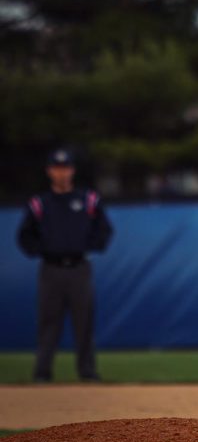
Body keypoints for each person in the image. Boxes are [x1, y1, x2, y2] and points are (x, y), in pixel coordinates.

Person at [16, 148, 114, 381]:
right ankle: (42, 372)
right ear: (50, 171)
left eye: (66, 168)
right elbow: (24, 235)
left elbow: (104, 229)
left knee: (84, 322)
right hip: (51, 268)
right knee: (48, 322)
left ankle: (87, 372)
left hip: (79, 267)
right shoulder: (40, 203)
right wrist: (41, 250)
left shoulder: (87, 199)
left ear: (72, 170)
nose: (62, 173)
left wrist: (89, 246)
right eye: (57, 168)